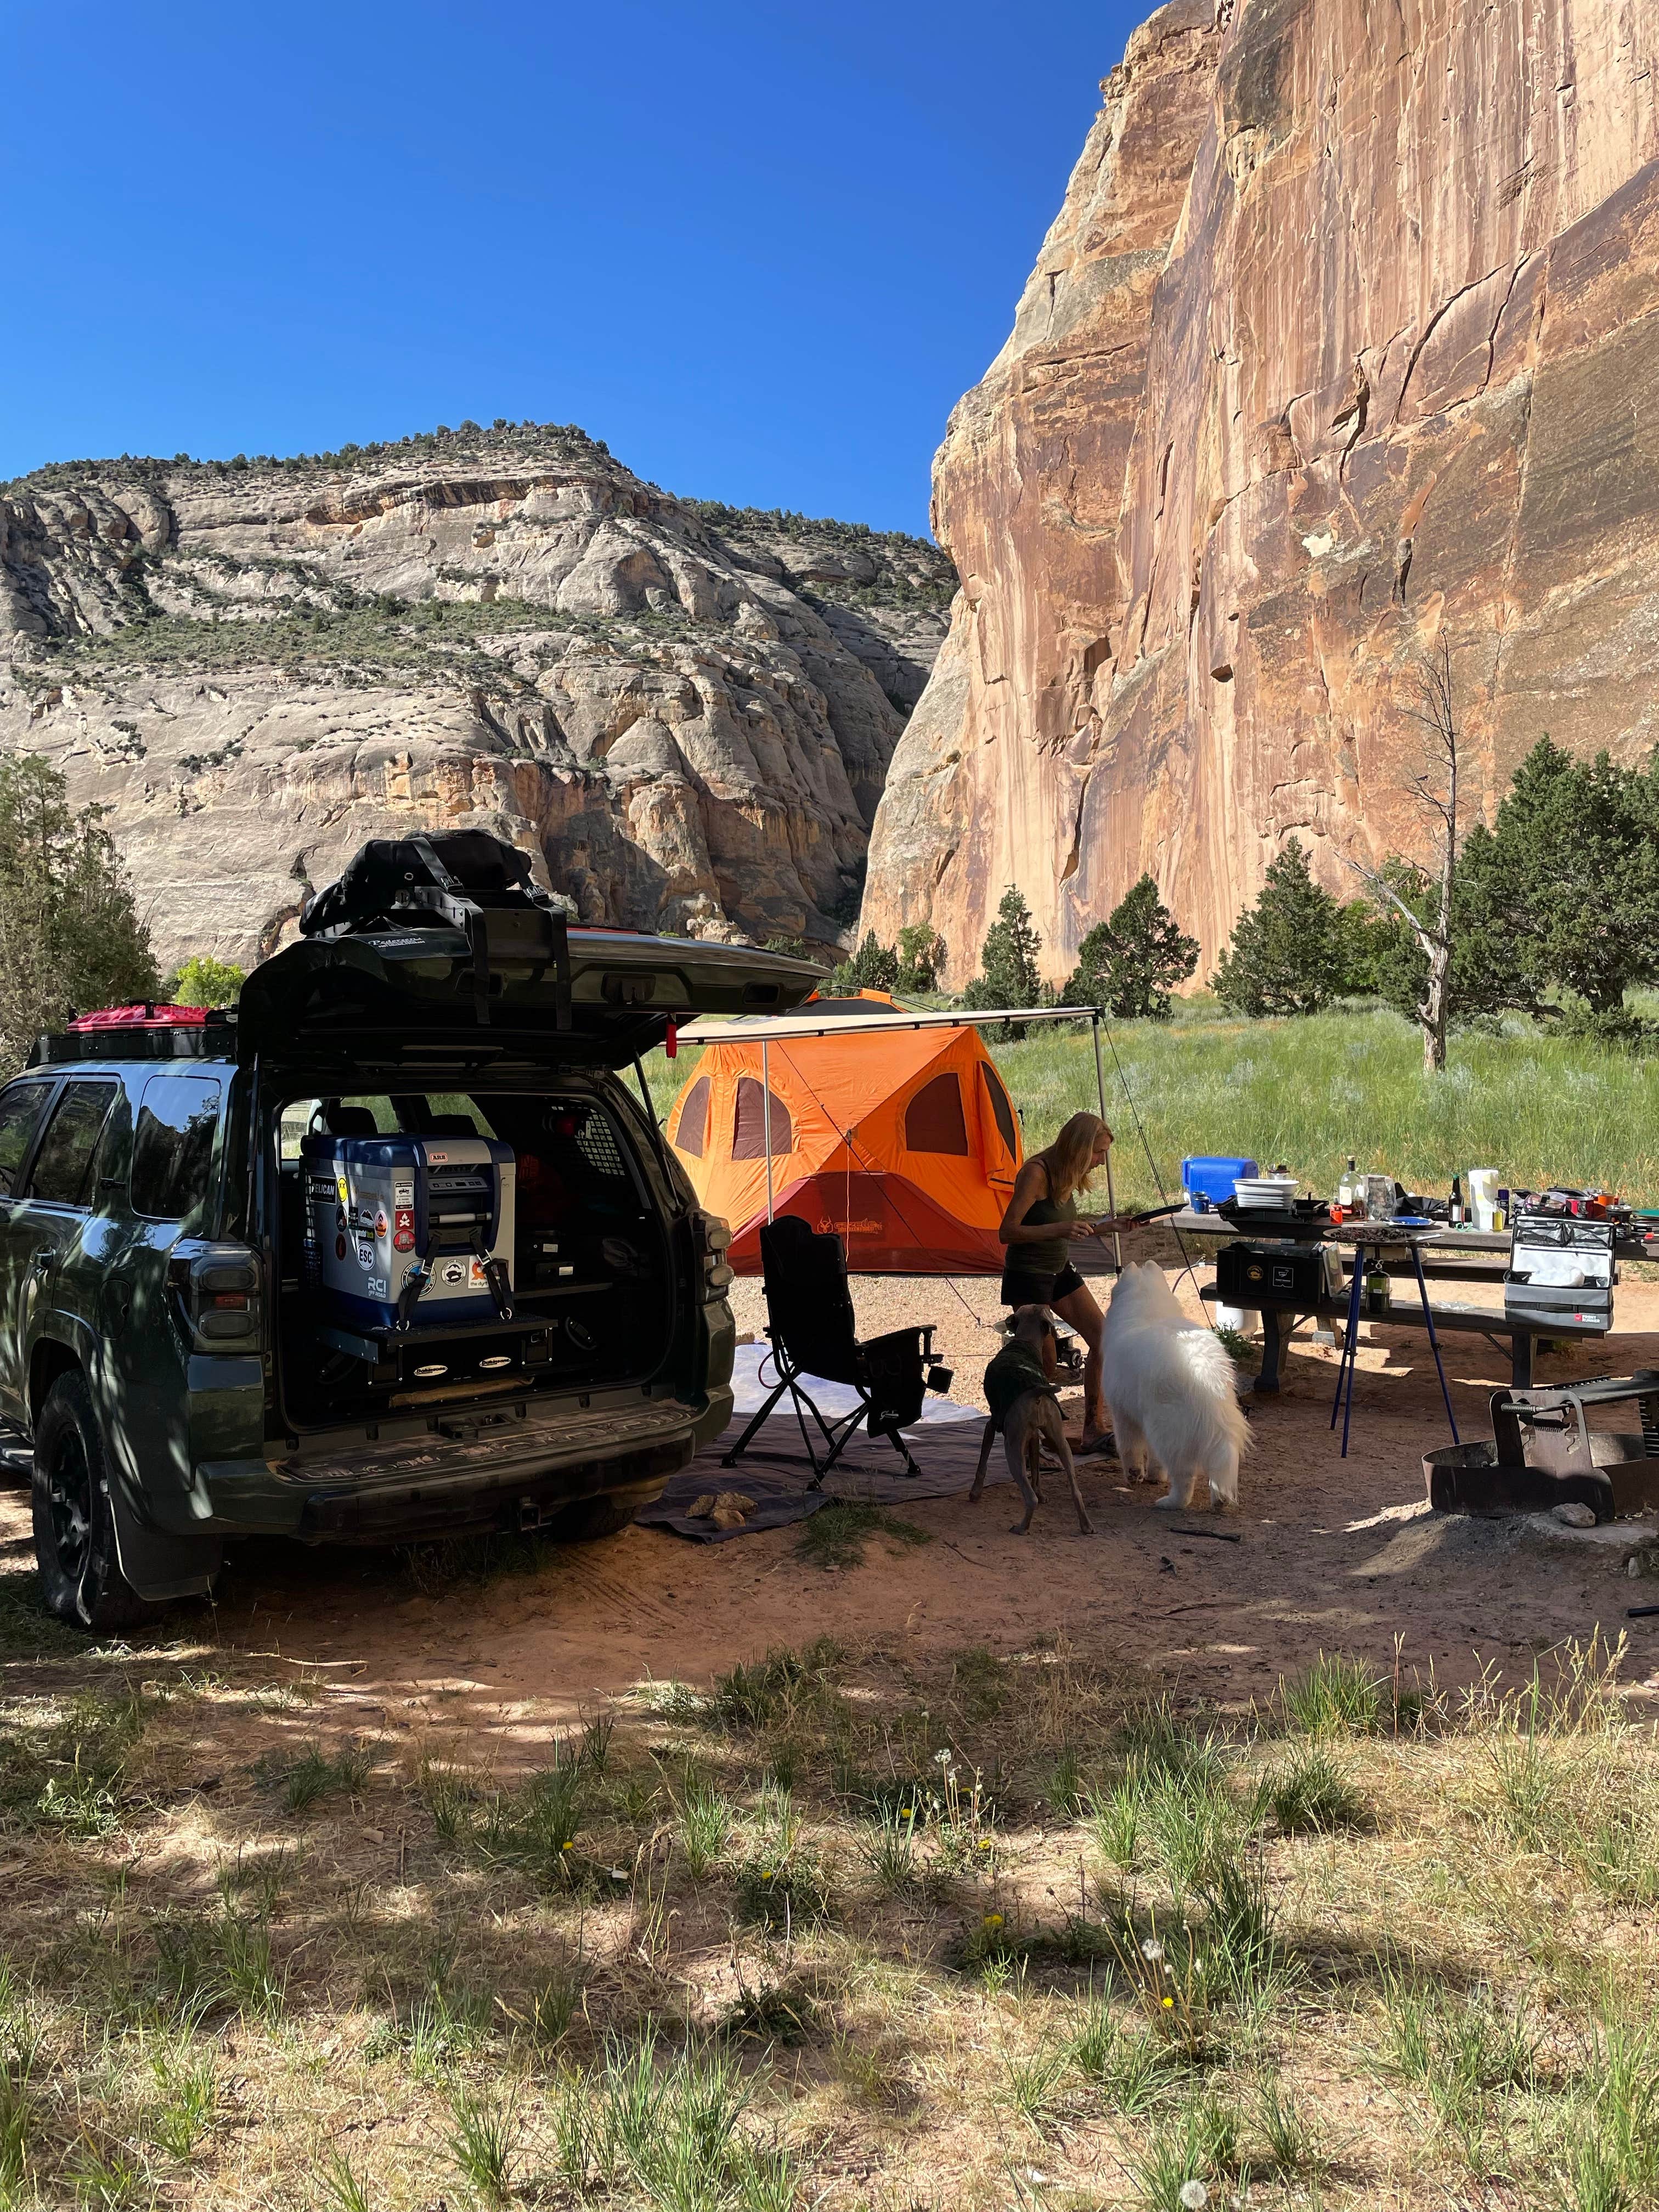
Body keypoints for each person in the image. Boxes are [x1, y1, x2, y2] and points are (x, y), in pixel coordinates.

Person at [998, 1111, 1118, 1452]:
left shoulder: (1068, 1174)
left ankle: (1094, 1428)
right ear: (1080, 1148)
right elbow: (1007, 1232)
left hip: (1059, 1270)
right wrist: (1061, 1229)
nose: (1100, 1161)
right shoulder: (1036, 1174)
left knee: (1104, 1339)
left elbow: (1064, 1223)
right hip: (1029, 1276)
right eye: (1098, 1153)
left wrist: (1110, 1226)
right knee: (1046, 1364)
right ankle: (1029, 1439)